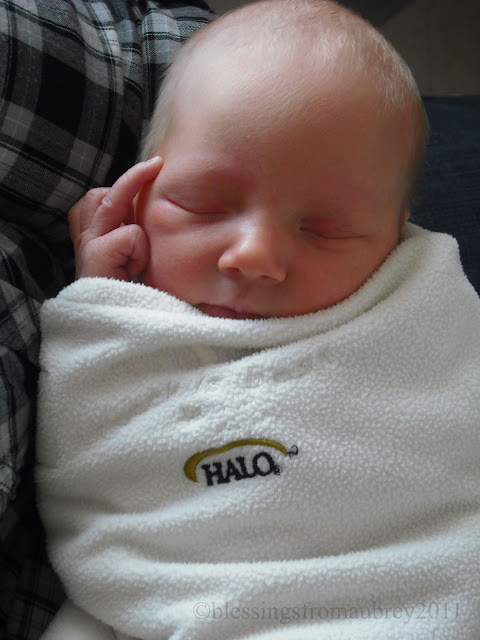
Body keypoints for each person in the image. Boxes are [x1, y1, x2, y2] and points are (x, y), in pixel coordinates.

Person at [36, 0, 480, 638]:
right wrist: (101, 303)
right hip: (159, 601)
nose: (254, 257)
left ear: (394, 235)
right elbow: (98, 456)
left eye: (323, 229)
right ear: (137, 194)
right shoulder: (120, 317)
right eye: (203, 205)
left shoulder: (425, 312)